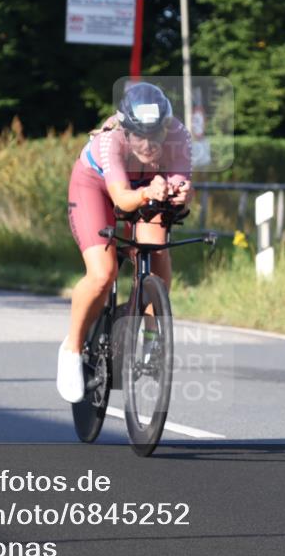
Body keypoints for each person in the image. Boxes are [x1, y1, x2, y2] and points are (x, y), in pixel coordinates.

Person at [57, 82, 192, 403]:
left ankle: (144, 328)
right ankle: (71, 349)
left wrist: (181, 194)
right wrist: (148, 192)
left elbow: (184, 193)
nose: (148, 144)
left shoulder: (179, 136)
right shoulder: (110, 142)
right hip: (96, 187)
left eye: (156, 134)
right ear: (126, 131)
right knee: (103, 273)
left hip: (146, 185)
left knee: (155, 250)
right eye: (140, 136)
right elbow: (121, 199)